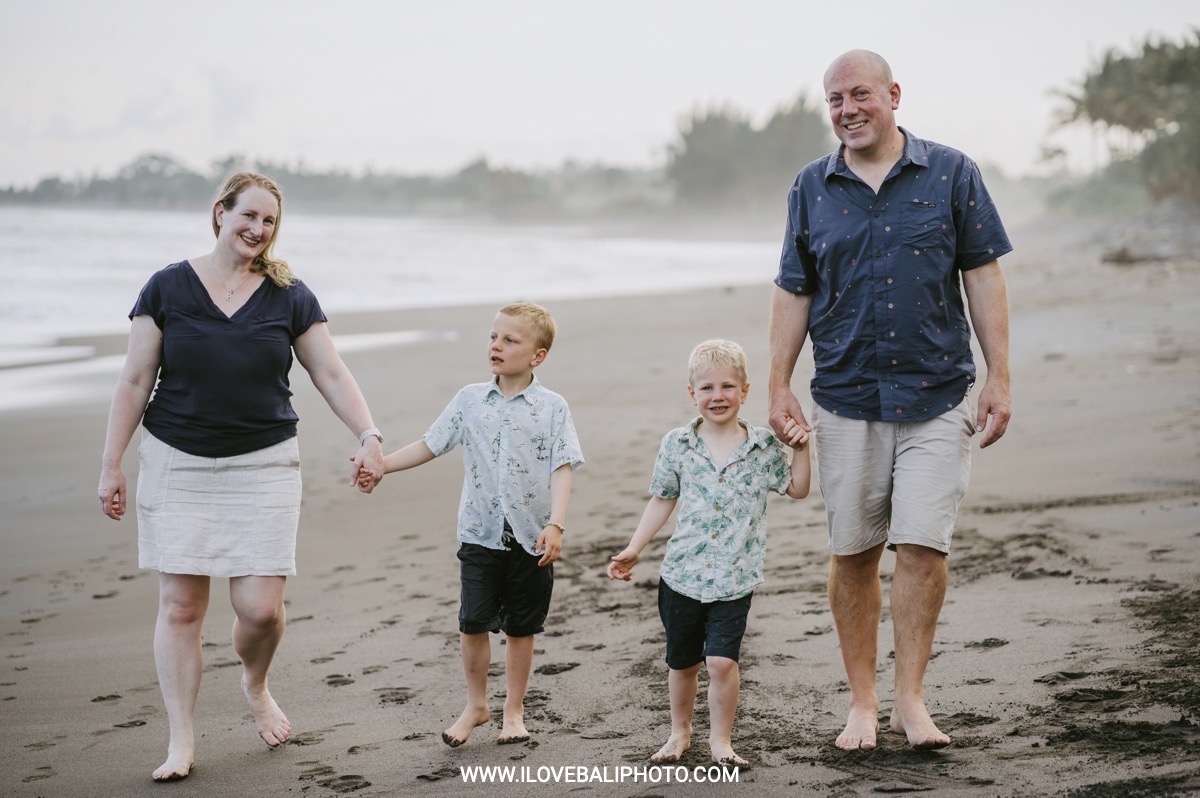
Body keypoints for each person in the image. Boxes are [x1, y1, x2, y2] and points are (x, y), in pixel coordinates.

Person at [97, 171, 385, 781]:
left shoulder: (289, 294)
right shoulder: (167, 287)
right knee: (181, 608)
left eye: (269, 220)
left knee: (260, 610)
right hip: (177, 460)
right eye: (248, 215)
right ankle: (181, 741)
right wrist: (111, 463)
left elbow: (331, 373)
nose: (257, 228)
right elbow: (134, 380)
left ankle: (255, 684)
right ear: (220, 213)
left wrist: (369, 435)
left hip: (264, 462)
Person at [768, 49, 1013, 752]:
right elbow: (794, 289)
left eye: (860, 94)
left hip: (938, 393)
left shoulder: (952, 173)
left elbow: (983, 274)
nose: (847, 109)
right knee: (853, 553)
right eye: (835, 99)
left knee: (923, 550)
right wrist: (779, 382)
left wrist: (1000, 375)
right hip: (845, 397)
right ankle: (863, 703)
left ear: (893, 94)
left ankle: (910, 700)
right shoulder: (811, 187)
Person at [358, 301, 583, 748]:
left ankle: (513, 710)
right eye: (493, 336)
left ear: (538, 356)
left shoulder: (552, 408)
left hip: (531, 537)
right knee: (473, 622)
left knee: (521, 627)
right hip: (479, 533)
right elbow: (430, 443)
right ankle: (476, 705)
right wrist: (383, 465)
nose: (496, 345)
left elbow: (562, 467)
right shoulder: (470, 400)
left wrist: (556, 524)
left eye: (510, 340)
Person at [607, 339, 811, 768]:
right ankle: (679, 732)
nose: (718, 396)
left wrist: (801, 449)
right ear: (692, 394)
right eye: (707, 388)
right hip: (682, 575)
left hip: (735, 578)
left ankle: (721, 741)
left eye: (727, 386)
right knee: (682, 664)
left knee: (720, 662)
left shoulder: (763, 447)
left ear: (744, 391)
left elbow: (797, 488)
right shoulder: (678, 444)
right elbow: (662, 498)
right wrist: (634, 548)